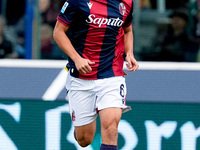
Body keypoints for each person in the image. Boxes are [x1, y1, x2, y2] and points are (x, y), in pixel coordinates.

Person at [53, 0, 139, 149]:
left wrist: (129, 53)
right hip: (81, 77)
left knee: (111, 128)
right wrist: (77, 58)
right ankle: (81, 121)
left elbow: (128, 30)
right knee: (84, 140)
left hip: (112, 74)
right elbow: (58, 32)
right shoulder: (77, 1)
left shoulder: (126, 2)